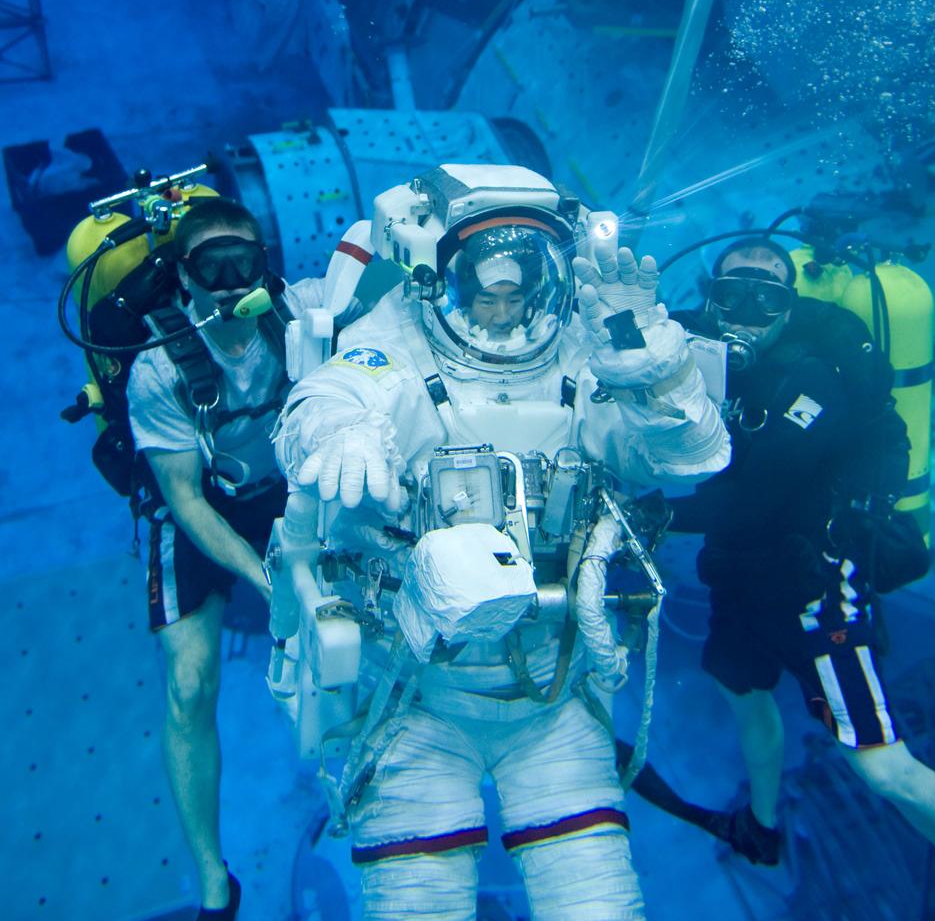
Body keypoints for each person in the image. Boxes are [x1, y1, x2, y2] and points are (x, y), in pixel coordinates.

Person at [273, 164, 730, 920]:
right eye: (482, 292)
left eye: (518, 290)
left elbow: (692, 456)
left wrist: (657, 375)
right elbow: (331, 394)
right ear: (438, 277)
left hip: (553, 696)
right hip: (417, 696)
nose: (499, 309)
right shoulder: (398, 341)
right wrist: (340, 429)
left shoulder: (593, 352)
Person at [668, 235, 935, 920]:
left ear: (790, 306)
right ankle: (764, 822)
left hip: (815, 591)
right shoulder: (694, 347)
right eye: (732, 293)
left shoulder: (816, 380)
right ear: (709, 295)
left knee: (883, 766)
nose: (747, 311)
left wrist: (648, 512)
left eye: (767, 297)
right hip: (740, 577)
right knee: (744, 695)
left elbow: (754, 492)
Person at [127, 197, 338, 919]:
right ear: (183, 278)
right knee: (189, 683)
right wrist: (264, 574)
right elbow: (184, 500)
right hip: (197, 502)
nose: (226, 282)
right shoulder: (157, 368)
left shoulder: (300, 312)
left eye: (240, 262)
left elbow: (377, 281)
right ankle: (216, 879)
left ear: (265, 264)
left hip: (281, 485)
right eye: (207, 266)